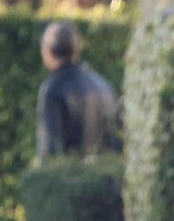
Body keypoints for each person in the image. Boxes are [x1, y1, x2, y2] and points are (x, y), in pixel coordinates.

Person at [35, 21, 120, 160]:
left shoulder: (52, 89)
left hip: (70, 177)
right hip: (106, 174)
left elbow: (50, 148)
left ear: (48, 51)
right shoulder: (102, 84)